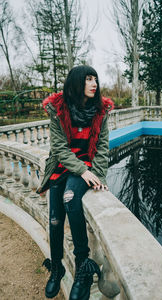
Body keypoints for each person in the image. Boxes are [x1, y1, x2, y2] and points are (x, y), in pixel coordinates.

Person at [36, 65, 114, 299]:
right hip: (63, 167)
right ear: (76, 83)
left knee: (71, 198)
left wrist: (96, 173)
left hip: (86, 167)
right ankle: (57, 268)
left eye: (95, 80)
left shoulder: (101, 111)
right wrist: (79, 169)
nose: (94, 84)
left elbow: (102, 147)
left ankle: (83, 268)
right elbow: (59, 148)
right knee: (55, 220)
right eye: (89, 79)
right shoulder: (59, 109)